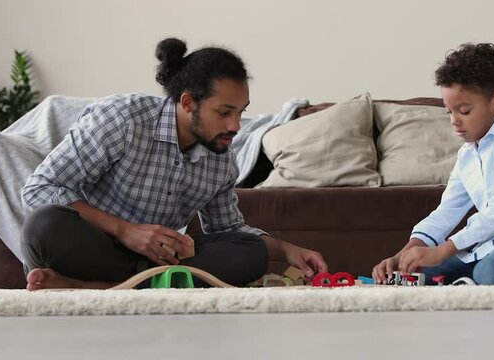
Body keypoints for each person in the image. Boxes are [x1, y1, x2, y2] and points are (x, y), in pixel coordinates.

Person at [20, 37, 327, 290]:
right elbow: (40, 188)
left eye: (240, 111)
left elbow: (230, 229)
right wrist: (126, 231)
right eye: (224, 112)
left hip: (159, 260)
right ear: (188, 102)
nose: (236, 125)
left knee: (251, 253)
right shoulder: (121, 118)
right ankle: (138, 286)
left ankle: (93, 288)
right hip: (96, 249)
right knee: (43, 224)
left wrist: (289, 250)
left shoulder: (221, 159)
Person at [372, 43, 494, 285]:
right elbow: (447, 211)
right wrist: (406, 255)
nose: (454, 121)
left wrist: (444, 250)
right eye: (449, 112)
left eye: (464, 111)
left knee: (491, 273)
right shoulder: (468, 153)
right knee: (420, 277)